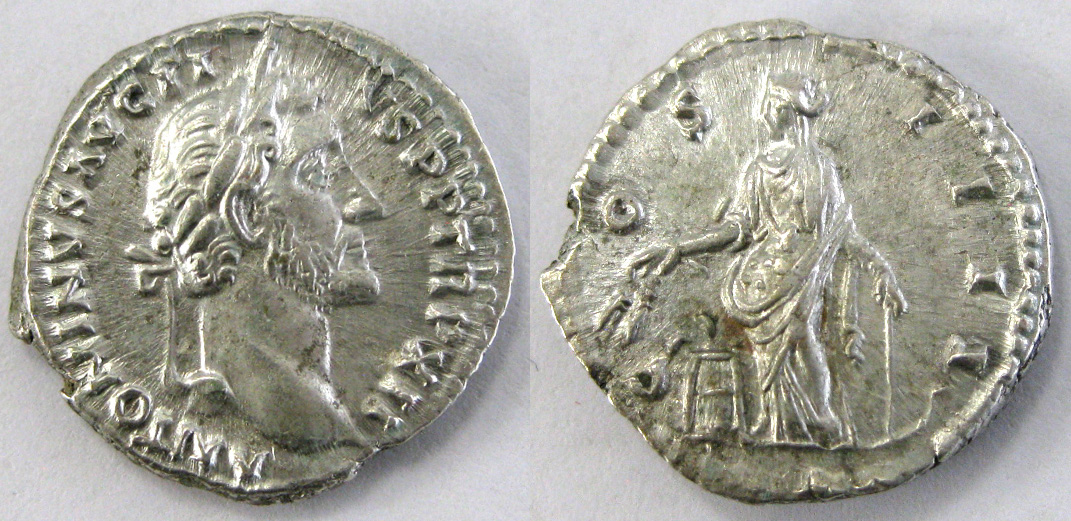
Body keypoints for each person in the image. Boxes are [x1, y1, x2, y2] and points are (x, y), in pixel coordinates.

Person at [131, 39, 383, 452]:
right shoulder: (294, 417)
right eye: (319, 174)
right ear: (246, 216)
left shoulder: (312, 402)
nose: (365, 204)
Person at [630, 73, 907, 447]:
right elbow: (737, 229)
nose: (762, 114)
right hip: (761, 278)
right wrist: (681, 248)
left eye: (770, 105)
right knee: (773, 351)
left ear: (787, 110)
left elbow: (842, 230)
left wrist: (879, 267)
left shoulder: (821, 168)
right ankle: (777, 426)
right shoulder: (758, 168)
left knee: (805, 338)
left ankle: (820, 420)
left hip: (804, 273)